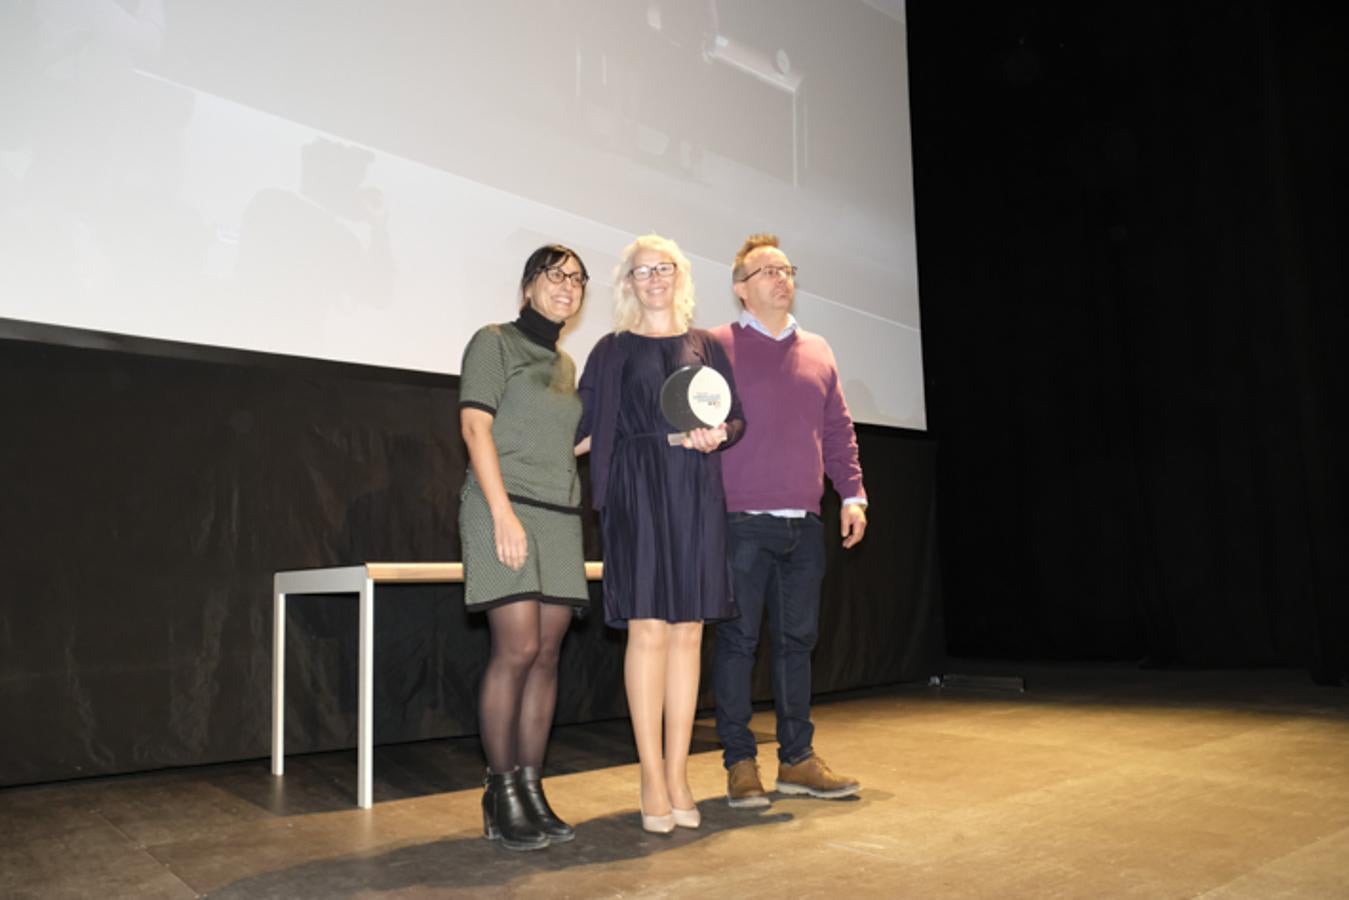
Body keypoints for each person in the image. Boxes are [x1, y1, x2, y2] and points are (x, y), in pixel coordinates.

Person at [576, 234, 744, 833]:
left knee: (689, 632)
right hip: (637, 492)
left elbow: (736, 417)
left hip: (695, 490)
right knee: (647, 629)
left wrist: (718, 435)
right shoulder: (611, 350)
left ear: (679, 277)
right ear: (627, 283)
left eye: (663, 268)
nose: (654, 278)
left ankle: (679, 774)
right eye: (642, 270)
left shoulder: (708, 346)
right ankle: (650, 775)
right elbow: (580, 424)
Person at [711, 233, 868, 808]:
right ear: (741, 289)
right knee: (737, 643)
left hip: (804, 523)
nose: (781, 277)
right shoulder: (714, 345)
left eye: (786, 268)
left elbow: (837, 430)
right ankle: (740, 764)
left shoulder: (819, 349)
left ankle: (797, 761)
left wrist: (853, 495)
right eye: (766, 270)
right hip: (740, 522)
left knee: (798, 643)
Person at [458, 245, 591, 851]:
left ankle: (532, 790)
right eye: (555, 275)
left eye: (578, 279)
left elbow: (563, 441)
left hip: (560, 514)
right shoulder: (495, 342)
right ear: (527, 285)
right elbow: (475, 426)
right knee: (518, 647)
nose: (568, 286)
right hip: (502, 505)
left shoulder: (565, 365)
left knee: (547, 656)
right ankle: (501, 789)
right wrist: (503, 514)